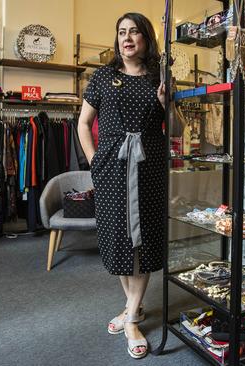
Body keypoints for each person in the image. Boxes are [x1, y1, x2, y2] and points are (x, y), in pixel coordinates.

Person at [77, 12, 166, 360]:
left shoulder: (160, 78)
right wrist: (93, 159)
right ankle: (135, 307)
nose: (127, 38)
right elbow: (83, 124)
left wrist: (164, 103)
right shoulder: (103, 76)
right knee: (118, 238)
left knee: (143, 239)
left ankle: (131, 317)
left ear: (146, 39)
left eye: (134, 32)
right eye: (121, 32)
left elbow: (175, 129)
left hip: (149, 167)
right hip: (111, 167)